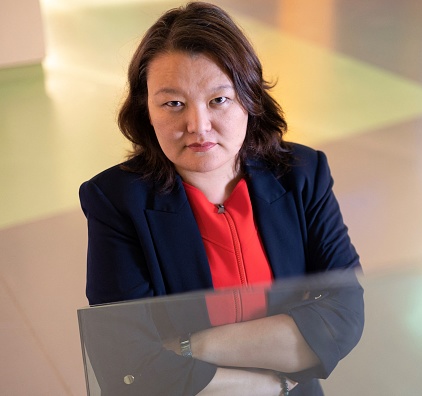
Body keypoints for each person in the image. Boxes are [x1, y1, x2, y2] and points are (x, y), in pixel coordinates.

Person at [79, 2, 363, 395]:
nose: (197, 125)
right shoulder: (115, 200)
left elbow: (344, 315)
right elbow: (126, 363)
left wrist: (190, 346)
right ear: (146, 110)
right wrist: (272, 385)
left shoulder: (302, 173)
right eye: (173, 103)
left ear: (250, 99)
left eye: (219, 99)